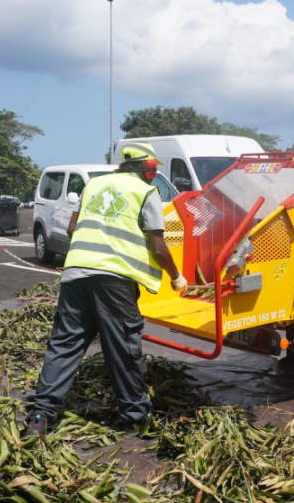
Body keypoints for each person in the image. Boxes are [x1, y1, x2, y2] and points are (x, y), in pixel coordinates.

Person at [23, 143, 188, 435]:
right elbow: (159, 248)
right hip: (113, 279)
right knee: (123, 348)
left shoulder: (94, 186)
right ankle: (134, 419)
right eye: (152, 168)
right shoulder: (145, 192)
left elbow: (73, 229)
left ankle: (41, 415)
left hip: (76, 273)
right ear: (142, 167)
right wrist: (176, 276)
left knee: (65, 344)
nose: (153, 174)